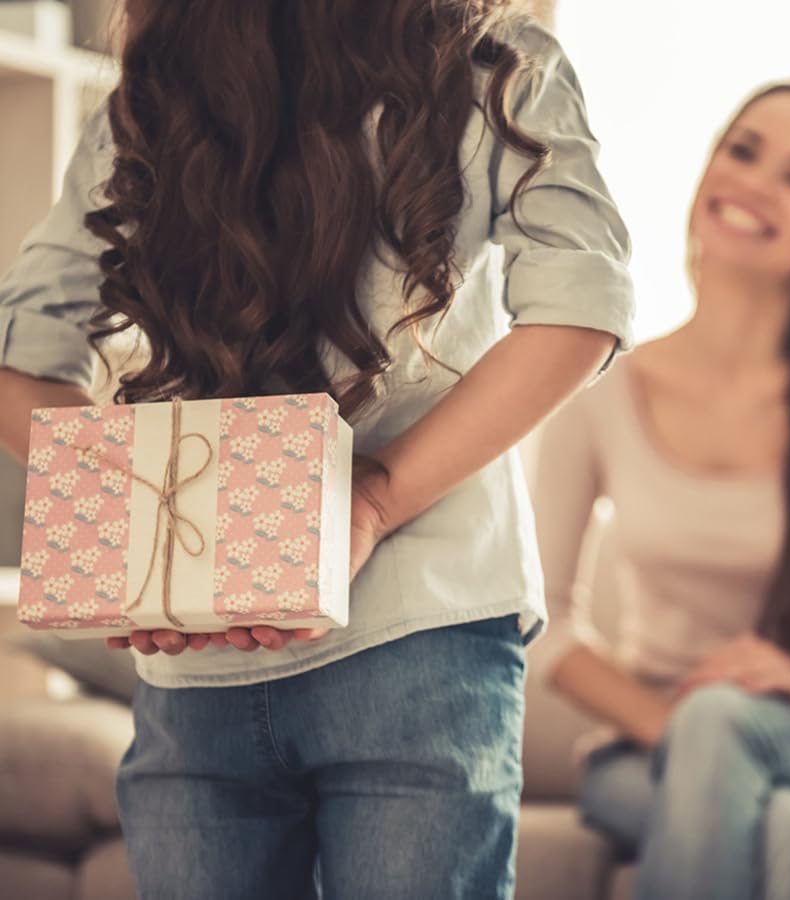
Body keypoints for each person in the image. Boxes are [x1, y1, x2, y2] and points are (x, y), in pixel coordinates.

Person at [0, 3, 635, 898]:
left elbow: (19, 360)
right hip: (420, 626)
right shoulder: (498, 69)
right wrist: (374, 497)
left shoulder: (155, 97)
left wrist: (146, 518)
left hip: (201, 649)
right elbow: (579, 308)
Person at [532, 72, 790, 900]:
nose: (753, 182)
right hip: (649, 743)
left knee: (725, 728)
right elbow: (540, 619)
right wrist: (678, 728)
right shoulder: (599, 392)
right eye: (743, 151)